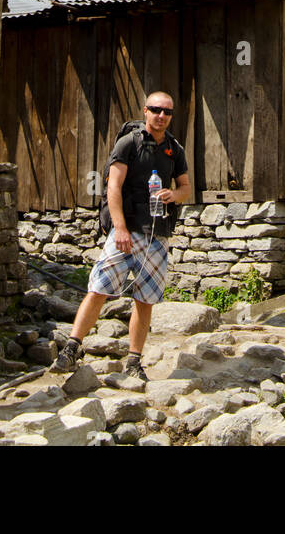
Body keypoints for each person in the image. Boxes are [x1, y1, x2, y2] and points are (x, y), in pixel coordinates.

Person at [53, 92, 190, 380]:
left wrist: (173, 195)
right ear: (145, 111)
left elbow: (186, 188)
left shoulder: (174, 149)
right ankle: (72, 348)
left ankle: (134, 362)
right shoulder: (129, 143)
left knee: (145, 299)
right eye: (155, 110)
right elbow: (112, 187)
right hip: (125, 231)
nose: (161, 116)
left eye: (167, 111)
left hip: (157, 234)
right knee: (99, 288)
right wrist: (120, 229)